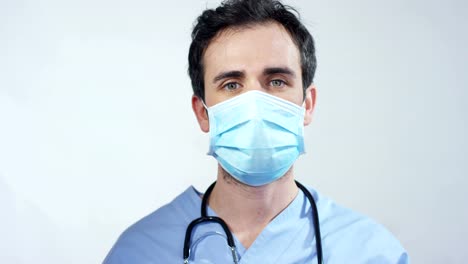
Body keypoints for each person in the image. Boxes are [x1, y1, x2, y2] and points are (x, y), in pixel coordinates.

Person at [103, 0, 409, 263]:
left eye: (276, 81)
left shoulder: (370, 252)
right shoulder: (141, 251)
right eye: (231, 85)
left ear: (308, 104)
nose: (254, 103)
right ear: (202, 113)